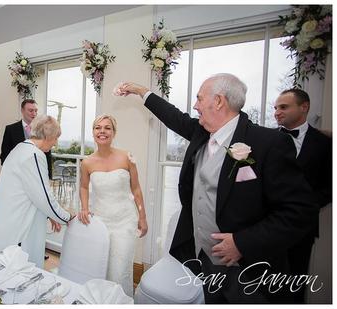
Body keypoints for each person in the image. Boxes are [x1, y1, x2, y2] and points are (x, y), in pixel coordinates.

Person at [120, 74, 318, 303]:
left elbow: (301, 211)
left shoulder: (268, 143)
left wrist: (243, 243)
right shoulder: (200, 132)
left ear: (219, 101)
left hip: (249, 271)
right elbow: (172, 116)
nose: (195, 105)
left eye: (199, 99)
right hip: (203, 258)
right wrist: (139, 90)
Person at [0, 115, 75, 268]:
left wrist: (50, 215)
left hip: (7, 221)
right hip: (20, 228)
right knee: (22, 273)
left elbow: (32, 193)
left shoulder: (20, 148)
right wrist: (68, 217)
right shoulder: (35, 154)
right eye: (56, 138)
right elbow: (44, 196)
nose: (56, 142)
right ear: (48, 135)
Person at [78, 115, 148, 297]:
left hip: (125, 221)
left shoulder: (126, 157)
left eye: (107, 128)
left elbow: (136, 188)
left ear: (114, 132)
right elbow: (84, 187)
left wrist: (142, 217)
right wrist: (84, 207)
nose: (102, 131)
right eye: (98, 127)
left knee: (120, 270)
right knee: (101, 267)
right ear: (93, 132)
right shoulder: (87, 162)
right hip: (100, 223)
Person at [274, 88, 332, 303]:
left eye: (283, 107)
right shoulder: (267, 140)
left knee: (294, 287)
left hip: (302, 229)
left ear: (304, 107)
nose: (277, 112)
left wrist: (305, 206)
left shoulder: (325, 144)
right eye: (276, 108)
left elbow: (330, 185)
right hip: (264, 226)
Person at [0, 99, 52, 178]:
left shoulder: (43, 130)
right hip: (17, 177)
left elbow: (47, 155)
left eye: (36, 111)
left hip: (38, 176)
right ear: (22, 111)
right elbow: (4, 155)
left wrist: (49, 177)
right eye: (31, 110)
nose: (34, 113)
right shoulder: (10, 129)